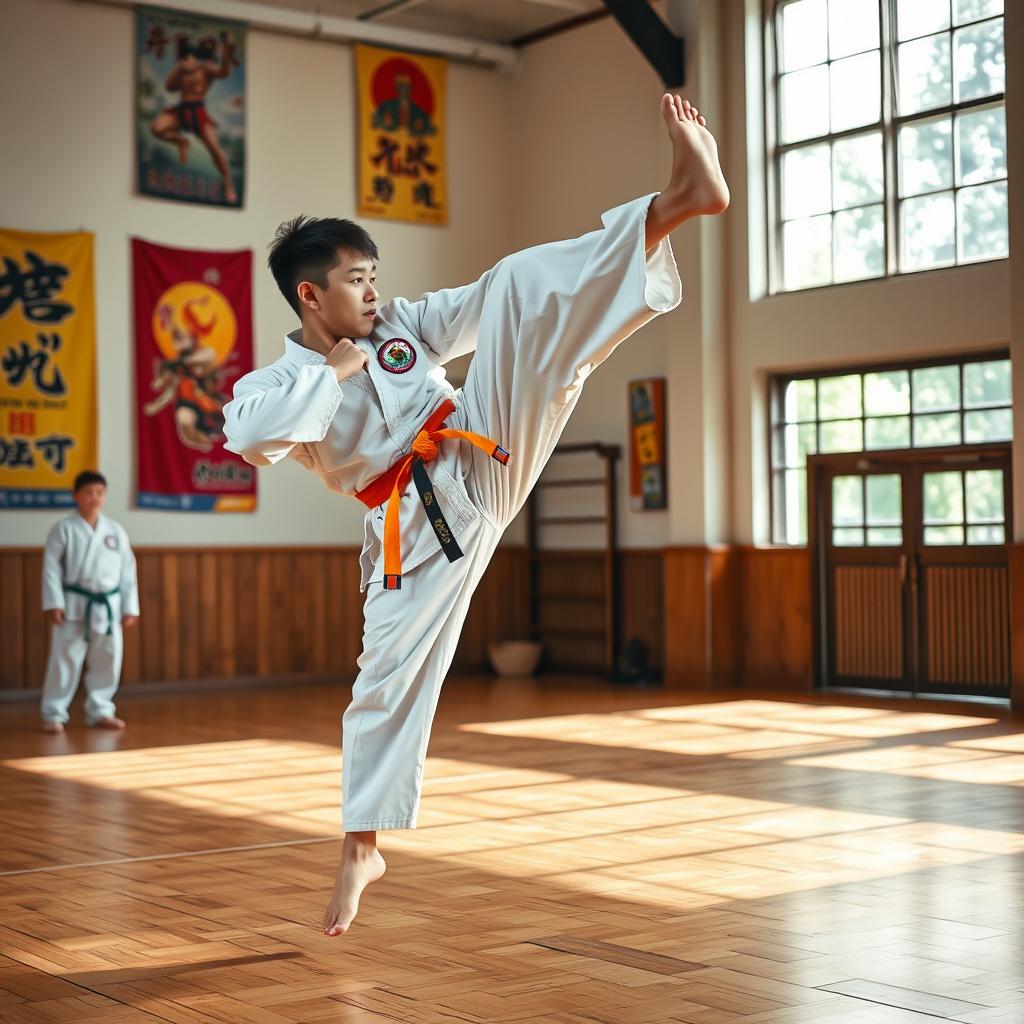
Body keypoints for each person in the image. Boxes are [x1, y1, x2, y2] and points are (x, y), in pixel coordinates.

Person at [223, 94, 728, 935]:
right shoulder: (271, 385)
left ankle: (675, 206)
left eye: (375, 276)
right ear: (310, 297)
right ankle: (362, 847)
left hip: (473, 454)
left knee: (523, 292)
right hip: (406, 536)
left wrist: (388, 343)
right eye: (357, 280)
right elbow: (255, 437)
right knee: (382, 687)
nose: (375, 292)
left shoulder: (405, 327)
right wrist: (340, 375)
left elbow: (486, 302)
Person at [39, 471, 140, 734]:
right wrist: (53, 602)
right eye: (88, 492)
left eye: (99, 492)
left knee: (108, 660)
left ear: (105, 496)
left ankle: (101, 710)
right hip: (73, 604)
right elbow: (51, 569)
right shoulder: (64, 529)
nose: (94, 498)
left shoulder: (115, 531)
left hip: (108, 606)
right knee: (64, 661)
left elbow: (128, 572)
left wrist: (130, 607)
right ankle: (54, 713)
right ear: (76, 496)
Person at [149, 31, 241, 204]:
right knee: (156, 128)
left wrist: (228, 49)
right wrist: (179, 69)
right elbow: (169, 87)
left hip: (198, 111)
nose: (187, 62)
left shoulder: (205, 68)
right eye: (185, 59)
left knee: (215, 149)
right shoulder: (182, 69)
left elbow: (224, 72)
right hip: (181, 110)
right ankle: (180, 142)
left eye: (189, 59)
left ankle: (228, 184)